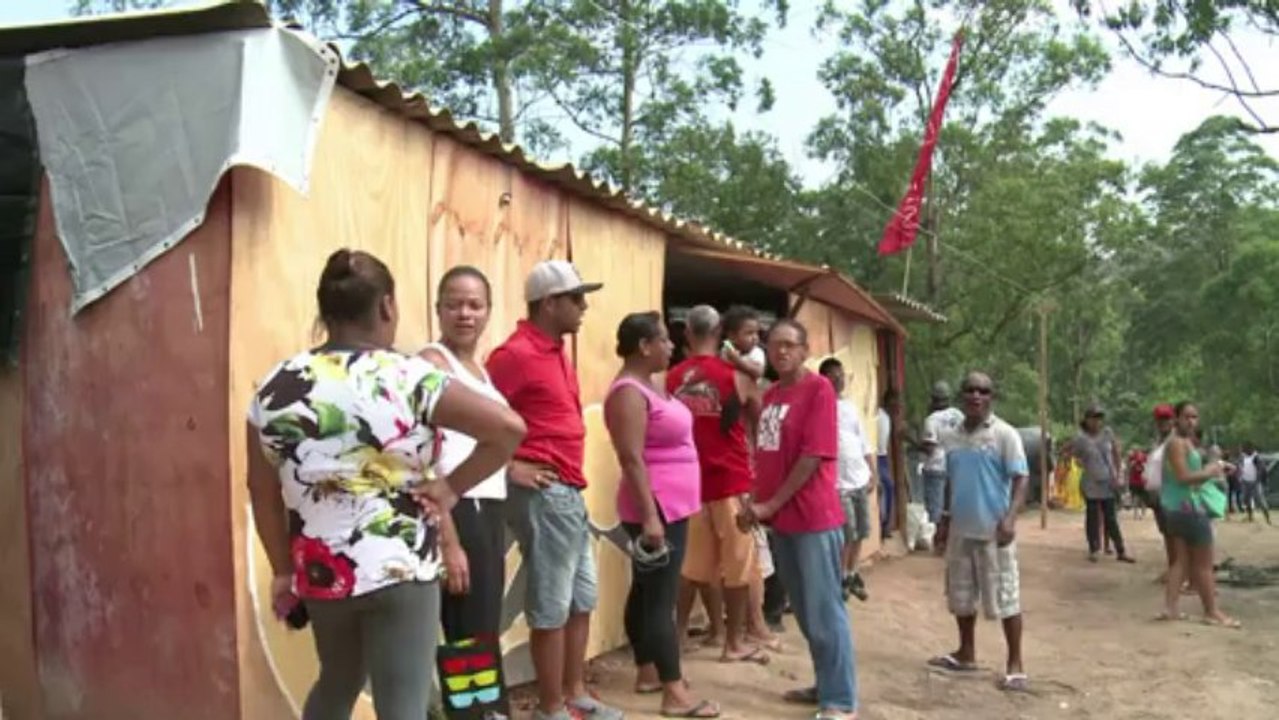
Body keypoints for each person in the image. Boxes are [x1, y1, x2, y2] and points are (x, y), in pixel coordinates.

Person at [246, 249, 525, 720]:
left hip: (321, 571)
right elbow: (508, 429)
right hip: (401, 569)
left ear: (325, 310)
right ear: (387, 308)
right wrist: (451, 488)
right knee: (402, 706)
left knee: (337, 682)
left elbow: (262, 491)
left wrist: (281, 571)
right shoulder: (409, 377)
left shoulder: (274, 388)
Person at [486, 260, 621, 720]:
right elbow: (477, 419)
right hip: (546, 492)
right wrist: (508, 467)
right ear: (550, 303)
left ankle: (574, 693)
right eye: (577, 298)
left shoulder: (553, 350)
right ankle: (550, 708)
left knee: (581, 597)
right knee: (552, 603)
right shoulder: (516, 354)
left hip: (567, 491)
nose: (584, 307)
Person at [740, 319, 859, 720]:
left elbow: (812, 457)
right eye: (775, 345)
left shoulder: (818, 390)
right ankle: (825, 685)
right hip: (783, 521)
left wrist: (770, 505)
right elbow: (768, 456)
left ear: (805, 350)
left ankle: (840, 700)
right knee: (807, 613)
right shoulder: (772, 395)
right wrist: (756, 502)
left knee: (825, 609)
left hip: (813, 519)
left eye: (791, 345)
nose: (782, 352)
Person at [604, 312, 720, 719]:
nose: (672, 347)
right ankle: (675, 691)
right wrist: (650, 516)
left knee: (646, 590)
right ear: (644, 346)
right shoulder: (627, 393)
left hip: (672, 505)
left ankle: (648, 671)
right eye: (664, 341)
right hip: (656, 509)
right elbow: (632, 459)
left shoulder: (650, 388)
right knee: (660, 598)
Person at [419, 267, 512, 665]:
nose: (465, 314)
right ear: (437, 310)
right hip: (458, 511)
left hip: (487, 510)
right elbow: (423, 460)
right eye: (454, 304)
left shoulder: (480, 371)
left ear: (489, 311)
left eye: (475, 305)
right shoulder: (430, 363)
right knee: (468, 639)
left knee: (482, 631)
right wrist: (449, 541)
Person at [669, 305, 769, 665]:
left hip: (689, 485)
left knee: (690, 567)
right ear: (721, 333)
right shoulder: (736, 376)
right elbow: (762, 419)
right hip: (732, 480)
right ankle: (733, 643)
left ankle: (676, 638)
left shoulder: (673, 378)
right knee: (738, 565)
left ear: (686, 335)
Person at [928, 371, 1029, 694]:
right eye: (970, 390)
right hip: (960, 529)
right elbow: (949, 479)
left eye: (982, 391)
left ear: (991, 397)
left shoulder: (1005, 435)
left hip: (993, 531)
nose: (976, 396)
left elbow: (1021, 478)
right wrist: (944, 520)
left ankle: (1015, 664)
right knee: (961, 595)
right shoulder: (951, 436)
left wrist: (1010, 518)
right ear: (962, 396)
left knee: (1006, 597)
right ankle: (966, 652)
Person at [1158, 401, 1240, 628]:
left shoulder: (1183, 442)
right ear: (1176, 418)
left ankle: (1171, 608)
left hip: (1178, 508)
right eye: (1187, 416)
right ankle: (1211, 611)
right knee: (1203, 564)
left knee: (1181, 562)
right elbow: (1184, 477)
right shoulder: (1176, 444)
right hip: (1188, 509)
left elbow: (1189, 476)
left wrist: (1214, 470)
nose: (1191, 421)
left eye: (1195, 417)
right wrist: (1210, 471)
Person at [818, 357, 877, 602]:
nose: (840, 380)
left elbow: (863, 442)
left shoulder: (850, 408)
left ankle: (853, 573)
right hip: (838, 483)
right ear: (824, 379)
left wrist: (872, 471)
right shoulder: (820, 408)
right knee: (847, 533)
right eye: (834, 376)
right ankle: (841, 575)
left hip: (858, 477)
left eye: (842, 375)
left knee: (862, 530)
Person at [1069, 404, 1134, 563]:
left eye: (1100, 418)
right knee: (1092, 516)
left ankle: (1121, 550)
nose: (1097, 421)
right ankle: (1094, 549)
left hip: (1108, 481)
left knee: (1111, 517)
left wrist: (1118, 474)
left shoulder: (1107, 434)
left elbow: (1116, 454)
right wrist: (1081, 463)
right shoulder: (1080, 438)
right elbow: (1074, 455)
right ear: (1087, 420)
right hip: (1090, 482)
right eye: (1094, 418)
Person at [919, 382, 962, 525]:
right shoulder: (958, 415)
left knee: (935, 510)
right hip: (956, 466)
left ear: (933, 400)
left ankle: (936, 539)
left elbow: (929, 449)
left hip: (935, 468)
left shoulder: (932, 419)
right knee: (953, 507)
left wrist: (910, 440)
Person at [719, 305, 766, 383]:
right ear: (732, 336)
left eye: (757, 333)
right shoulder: (725, 350)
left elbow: (758, 372)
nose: (755, 337)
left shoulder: (757, 352)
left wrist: (738, 361)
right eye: (749, 333)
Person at [876, 390, 899, 540]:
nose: (896, 407)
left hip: (882, 457)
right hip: (877, 456)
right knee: (886, 487)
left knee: (889, 488)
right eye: (894, 403)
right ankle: (883, 525)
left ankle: (885, 525)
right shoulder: (879, 415)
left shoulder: (888, 418)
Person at [1238, 441, 1271, 525]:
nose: (1243, 450)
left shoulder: (1256, 457)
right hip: (1245, 481)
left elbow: (1261, 469)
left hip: (1255, 482)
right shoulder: (1243, 457)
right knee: (1246, 499)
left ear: (1250, 449)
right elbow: (1241, 466)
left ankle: (1267, 519)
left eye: (1245, 449)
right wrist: (1240, 476)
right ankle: (1250, 517)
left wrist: (1258, 480)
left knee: (1260, 500)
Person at [1127, 446, 1149, 520]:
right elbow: (1129, 467)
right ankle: (1137, 514)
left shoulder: (1142, 457)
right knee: (1138, 497)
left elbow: (1147, 467)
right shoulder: (1132, 458)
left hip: (1140, 481)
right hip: (1136, 481)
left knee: (1141, 498)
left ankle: (1141, 514)